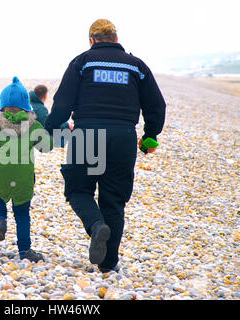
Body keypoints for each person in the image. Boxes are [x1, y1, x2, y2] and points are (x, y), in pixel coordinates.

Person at [45, 19, 166, 273]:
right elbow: (156, 106)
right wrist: (150, 136)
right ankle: (108, 263)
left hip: (88, 133)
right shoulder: (136, 66)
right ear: (115, 38)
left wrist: (50, 128)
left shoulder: (83, 62)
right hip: (123, 137)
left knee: (78, 190)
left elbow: (62, 102)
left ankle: (96, 225)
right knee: (114, 201)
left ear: (91, 40)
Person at [0, 76, 53, 263]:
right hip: (23, 178)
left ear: (2, 105)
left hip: (1, 174)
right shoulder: (33, 125)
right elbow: (47, 147)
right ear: (26, 105)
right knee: (22, 214)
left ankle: (0, 219)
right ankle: (24, 250)